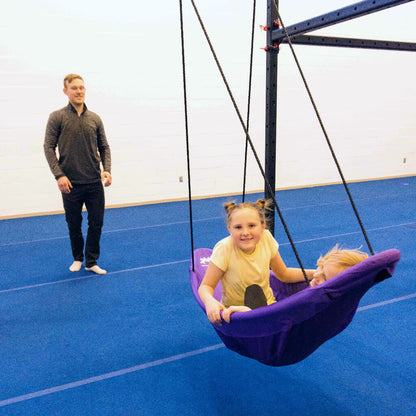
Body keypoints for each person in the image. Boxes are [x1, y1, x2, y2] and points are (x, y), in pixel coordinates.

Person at [198, 199, 368, 324]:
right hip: (236, 314)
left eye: (252, 226)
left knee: (301, 315)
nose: (245, 232)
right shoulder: (225, 249)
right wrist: (211, 303)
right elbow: (206, 286)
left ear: (263, 225)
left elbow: (284, 274)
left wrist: (319, 274)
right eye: (238, 227)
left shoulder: (266, 239)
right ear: (229, 228)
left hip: (269, 306)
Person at [44, 74, 112, 275]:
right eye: (74, 88)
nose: (79, 91)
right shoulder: (57, 117)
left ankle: (91, 261)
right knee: (74, 223)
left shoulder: (95, 118)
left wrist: (107, 169)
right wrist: (59, 175)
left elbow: (104, 146)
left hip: (93, 181)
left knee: (96, 223)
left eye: (81, 88)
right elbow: (48, 147)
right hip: (70, 183)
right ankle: (77, 258)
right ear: (66, 91)